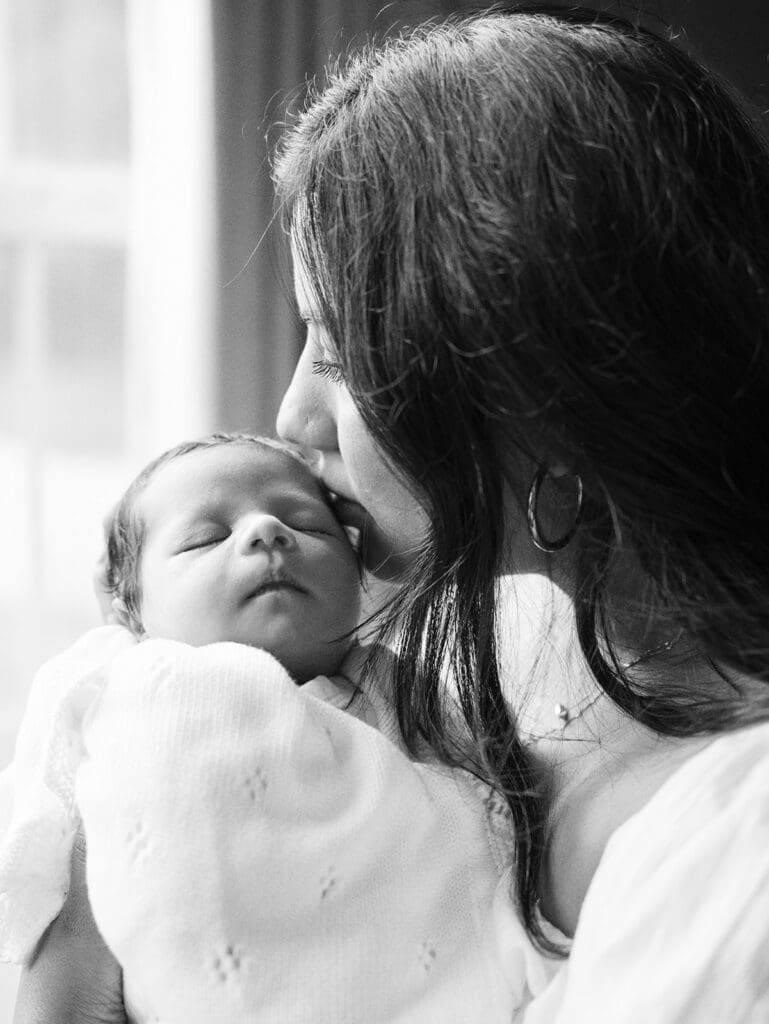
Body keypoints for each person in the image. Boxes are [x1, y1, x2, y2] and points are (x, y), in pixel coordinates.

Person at [14, 5, 769, 1022]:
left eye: (337, 350)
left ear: (531, 386)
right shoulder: (486, 622)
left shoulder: (731, 865)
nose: (290, 414)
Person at [2, 432, 550, 1024]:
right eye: (205, 539)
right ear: (131, 609)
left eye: (310, 526)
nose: (266, 531)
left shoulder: (408, 691)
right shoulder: (127, 689)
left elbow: (504, 797)